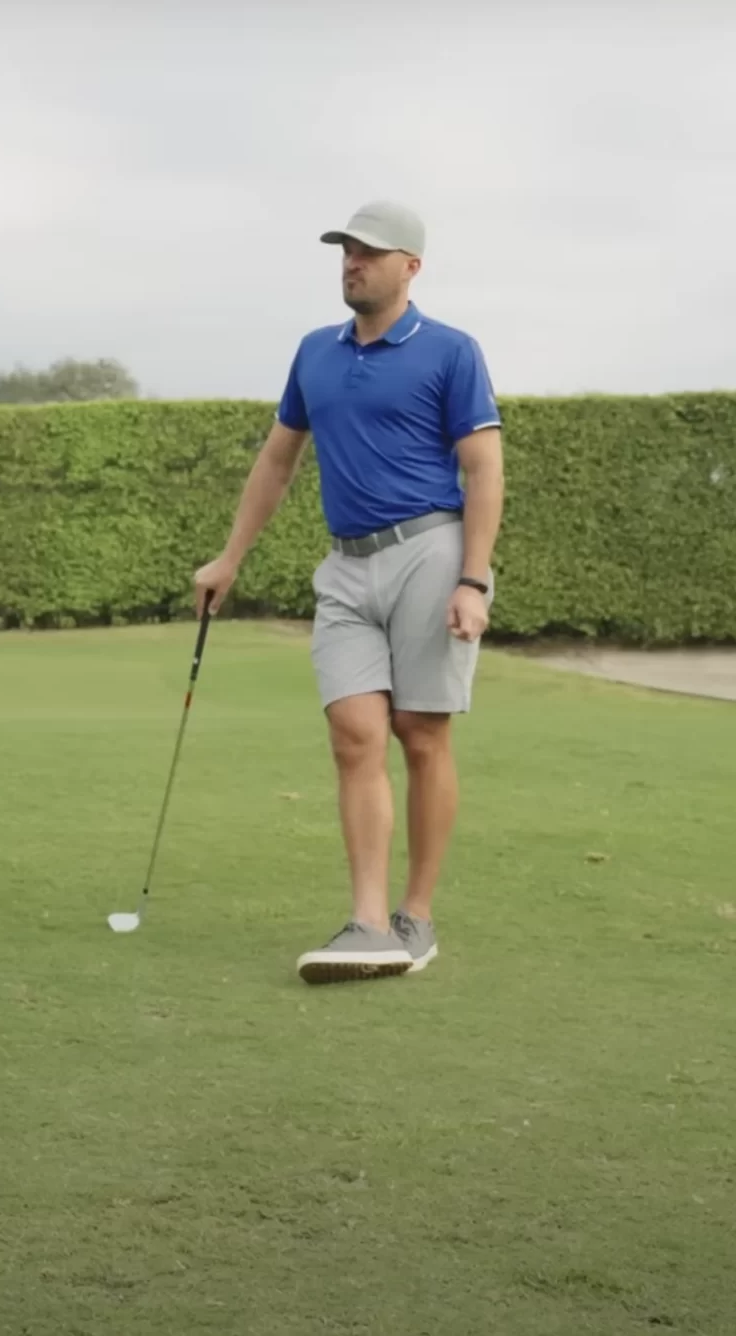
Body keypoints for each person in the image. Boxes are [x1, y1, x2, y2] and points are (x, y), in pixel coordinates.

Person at [191, 202, 504, 985]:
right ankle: (367, 924)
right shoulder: (314, 354)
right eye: (345, 251)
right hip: (345, 567)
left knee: (420, 734)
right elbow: (276, 463)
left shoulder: (451, 352)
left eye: (369, 252)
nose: (351, 263)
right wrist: (229, 558)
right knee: (354, 734)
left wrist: (472, 579)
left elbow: (483, 469)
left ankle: (416, 917)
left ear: (411, 267)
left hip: (431, 551)